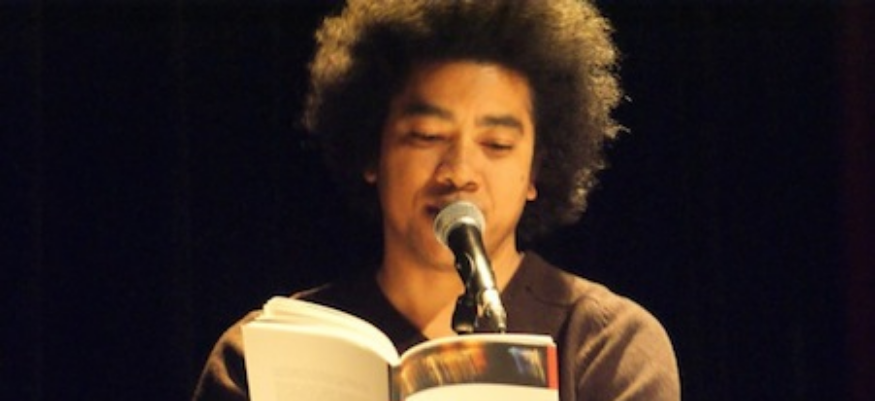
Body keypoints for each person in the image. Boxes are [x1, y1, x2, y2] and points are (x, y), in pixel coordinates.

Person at [192, 1, 680, 400]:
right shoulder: (262, 354)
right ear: (372, 152)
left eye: (496, 145)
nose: (460, 172)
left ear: (536, 170)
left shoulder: (604, 345)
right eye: (426, 136)